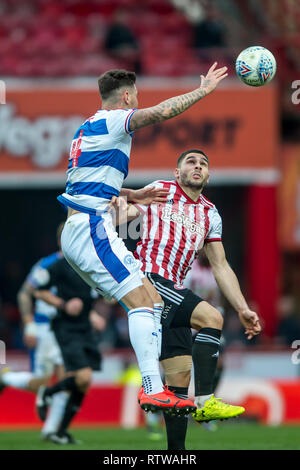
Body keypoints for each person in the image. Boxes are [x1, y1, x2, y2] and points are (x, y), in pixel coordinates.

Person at [56, 64, 228, 414]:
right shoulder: (113, 119)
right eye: (136, 97)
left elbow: (88, 184)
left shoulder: (84, 129)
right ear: (126, 96)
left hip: (84, 228)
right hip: (91, 227)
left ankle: (154, 388)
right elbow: (162, 112)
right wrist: (203, 91)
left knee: (148, 298)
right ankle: (151, 388)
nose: (137, 102)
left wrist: (132, 196)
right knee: (143, 300)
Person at [113, 149, 261, 449]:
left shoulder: (210, 213)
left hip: (174, 292)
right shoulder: (160, 191)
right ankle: (206, 402)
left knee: (178, 388)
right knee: (212, 318)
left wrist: (243, 308)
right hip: (150, 282)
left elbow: (220, 265)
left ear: (207, 175)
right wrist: (123, 202)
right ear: (176, 172)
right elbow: (119, 212)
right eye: (190, 162)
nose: (198, 166)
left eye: (203, 163)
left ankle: (175, 453)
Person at [0, 224, 68, 441]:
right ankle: (6, 378)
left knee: (67, 378)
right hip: (45, 328)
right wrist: (29, 324)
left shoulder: (84, 264)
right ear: (61, 241)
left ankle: (50, 430)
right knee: (41, 382)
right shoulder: (47, 265)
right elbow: (24, 294)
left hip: (68, 329)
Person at [32, 253, 106, 445]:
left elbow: (91, 297)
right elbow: (38, 291)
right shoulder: (58, 266)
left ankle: (61, 431)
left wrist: (94, 314)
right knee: (84, 376)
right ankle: (48, 393)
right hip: (66, 328)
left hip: (85, 329)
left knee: (83, 383)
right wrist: (64, 305)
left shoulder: (89, 264)